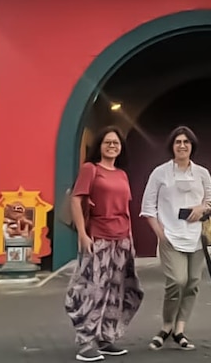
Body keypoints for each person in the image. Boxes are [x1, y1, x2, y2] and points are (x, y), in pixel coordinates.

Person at [65, 126, 145, 362]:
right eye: (108, 142)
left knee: (115, 290)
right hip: (98, 237)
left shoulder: (121, 174)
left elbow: (126, 210)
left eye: (116, 143)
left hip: (122, 239)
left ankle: (105, 337)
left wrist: (130, 240)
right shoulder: (90, 169)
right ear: (99, 145)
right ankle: (86, 341)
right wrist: (82, 233)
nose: (112, 146)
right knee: (93, 289)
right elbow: (76, 200)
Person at [140, 125, 211, 351]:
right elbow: (147, 207)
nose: (182, 146)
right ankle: (166, 326)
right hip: (170, 237)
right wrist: (160, 233)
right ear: (172, 146)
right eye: (178, 142)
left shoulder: (202, 173)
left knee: (193, 283)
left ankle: (180, 329)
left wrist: (202, 208)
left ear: (192, 146)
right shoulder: (160, 173)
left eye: (186, 142)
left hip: (197, 238)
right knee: (177, 281)